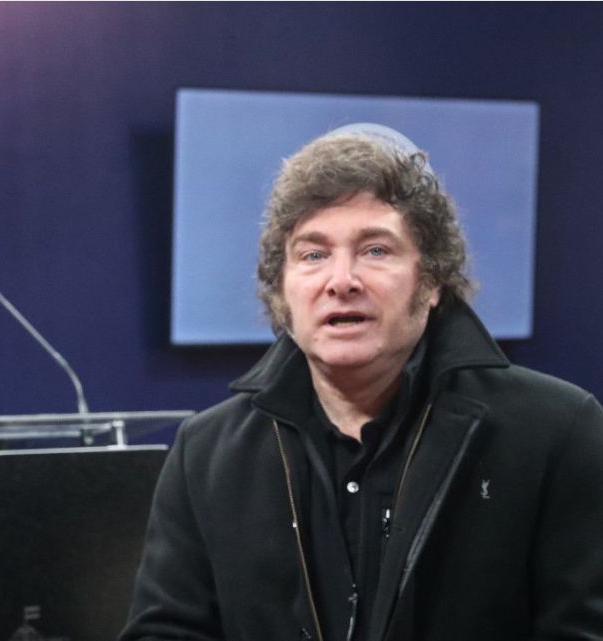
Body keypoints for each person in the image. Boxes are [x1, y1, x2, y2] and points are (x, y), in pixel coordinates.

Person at [120, 129, 603, 641]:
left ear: (432, 280)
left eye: (375, 250)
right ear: (282, 289)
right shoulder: (206, 453)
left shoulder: (557, 433)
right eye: (312, 255)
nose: (341, 280)